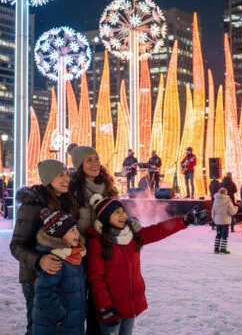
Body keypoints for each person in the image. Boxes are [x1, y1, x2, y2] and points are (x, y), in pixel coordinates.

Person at [86, 196, 208, 335]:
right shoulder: (97, 241)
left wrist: (185, 221)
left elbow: (159, 230)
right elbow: (96, 277)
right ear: (106, 216)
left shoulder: (132, 235)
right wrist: (104, 308)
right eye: (116, 212)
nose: (122, 216)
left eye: (123, 211)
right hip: (111, 307)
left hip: (130, 305)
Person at [10, 159, 73, 335]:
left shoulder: (66, 202)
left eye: (67, 174)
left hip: (60, 275)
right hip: (34, 277)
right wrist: (39, 260)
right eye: (60, 175)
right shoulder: (32, 206)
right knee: (39, 326)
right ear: (48, 178)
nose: (66, 178)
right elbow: (16, 245)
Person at [67, 143, 118, 335]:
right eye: (89, 160)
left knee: (101, 302)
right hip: (80, 254)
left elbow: (117, 216)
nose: (95, 163)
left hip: (104, 252)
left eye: (96, 158)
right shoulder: (72, 191)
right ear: (79, 165)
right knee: (78, 303)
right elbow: (67, 225)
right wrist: (82, 238)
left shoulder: (109, 187)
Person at [33, 210, 86, 334]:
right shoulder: (55, 259)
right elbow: (44, 292)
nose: (77, 233)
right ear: (59, 235)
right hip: (57, 326)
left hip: (72, 321)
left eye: (76, 229)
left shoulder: (74, 256)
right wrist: (60, 316)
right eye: (72, 230)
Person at [211, 188, 238, 254]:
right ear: (226, 193)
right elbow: (232, 212)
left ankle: (216, 249)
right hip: (225, 220)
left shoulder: (215, 200)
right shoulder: (228, 201)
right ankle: (223, 249)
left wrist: (215, 220)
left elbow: (213, 211)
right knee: (224, 235)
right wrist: (236, 208)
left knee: (218, 234)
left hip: (218, 220)